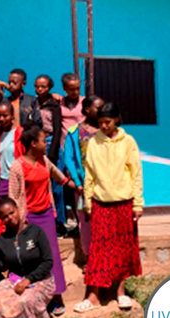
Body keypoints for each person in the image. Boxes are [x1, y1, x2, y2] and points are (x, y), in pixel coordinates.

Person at [74, 102, 143, 313]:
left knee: (123, 247)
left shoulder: (128, 142)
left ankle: (120, 293)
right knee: (98, 249)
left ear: (117, 120)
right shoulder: (94, 143)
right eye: (101, 122)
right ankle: (93, 296)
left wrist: (138, 203)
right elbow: (90, 176)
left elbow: (136, 173)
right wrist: (88, 202)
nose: (104, 126)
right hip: (100, 203)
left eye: (108, 122)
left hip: (124, 203)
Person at [9, 126, 77, 316]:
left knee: (52, 257)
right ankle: (38, 299)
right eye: (43, 140)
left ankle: (56, 297)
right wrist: (18, 223)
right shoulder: (17, 167)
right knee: (32, 259)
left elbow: (61, 178)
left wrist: (79, 187)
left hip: (46, 215)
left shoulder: (44, 161)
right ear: (33, 143)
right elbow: (13, 197)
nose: (46, 144)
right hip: (28, 219)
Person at [0, 197, 61, 318]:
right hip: (15, 279)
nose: (10, 218)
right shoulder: (2, 241)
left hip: (41, 280)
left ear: (18, 209)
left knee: (26, 300)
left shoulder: (36, 232)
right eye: (5, 216)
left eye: (12, 213)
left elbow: (48, 261)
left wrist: (28, 280)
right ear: (1, 219)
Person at [64, 95, 104, 256]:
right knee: (86, 223)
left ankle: (105, 258)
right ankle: (91, 258)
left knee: (104, 222)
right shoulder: (74, 132)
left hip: (105, 186)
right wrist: (78, 183)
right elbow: (70, 159)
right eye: (98, 107)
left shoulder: (106, 131)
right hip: (83, 187)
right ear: (87, 109)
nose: (102, 110)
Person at [35, 74, 66, 233]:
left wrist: (53, 151)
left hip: (51, 145)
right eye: (37, 86)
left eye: (43, 86)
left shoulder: (54, 106)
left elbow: (57, 129)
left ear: (49, 88)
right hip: (37, 146)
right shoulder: (33, 104)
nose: (39, 89)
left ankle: (60, 222)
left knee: (56, 187)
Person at [0, 100, 23, 197]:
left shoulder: (19, 134)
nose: (1, 119)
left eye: (5, 115)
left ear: (12, 116)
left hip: (15, 180)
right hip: (0, 181)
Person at [60, 73, 85, 146]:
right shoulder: (60, 102)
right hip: (65, 144)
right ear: (64, 88)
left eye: (78, 88)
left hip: (82, 142)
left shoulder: (85, 103)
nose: (76, 92)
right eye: (72, 89)